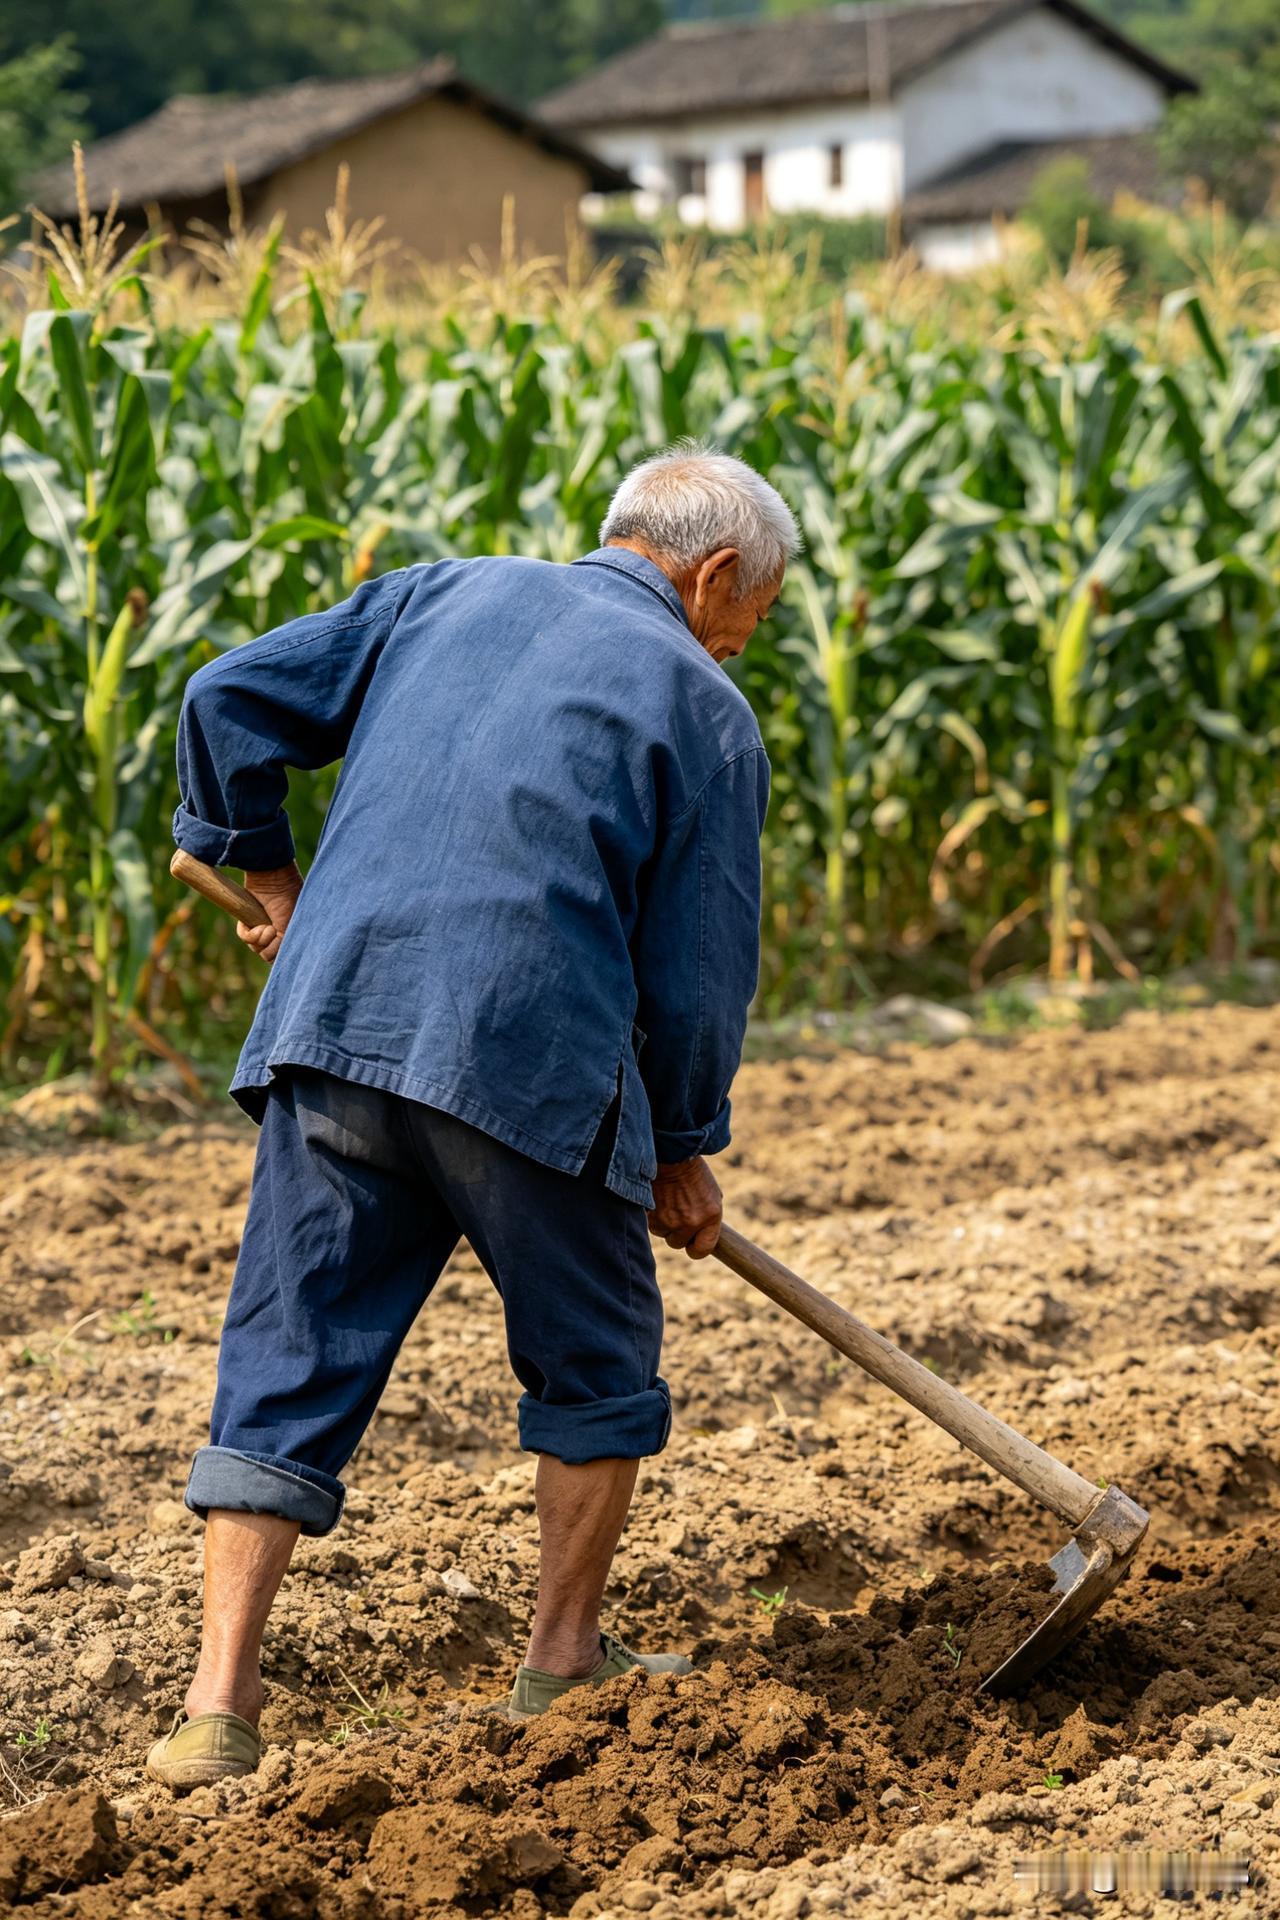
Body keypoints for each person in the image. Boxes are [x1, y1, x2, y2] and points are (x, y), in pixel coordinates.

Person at [147, 445, 799, 1787]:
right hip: (530, 1059)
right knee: (599, 1360)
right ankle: (562, 1662)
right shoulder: (704, 707)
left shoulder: (436, 595)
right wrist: (683, 1149)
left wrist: (267, 878)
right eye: (759, 611)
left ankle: (217, 1706)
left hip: (334, 1027)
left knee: (290, 1357)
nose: (749, 640)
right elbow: (696, 976)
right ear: (715, 573)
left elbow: (223, 697)